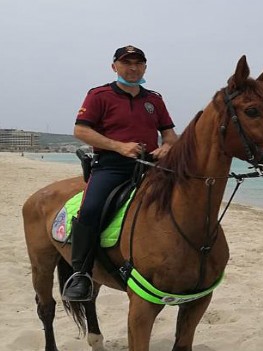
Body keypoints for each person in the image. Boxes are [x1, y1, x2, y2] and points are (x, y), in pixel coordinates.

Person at [62, 45, 178, 301]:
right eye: (127, 63)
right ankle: (80, 274)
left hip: (149, 166)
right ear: (114, 66)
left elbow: (169, 134)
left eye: (138, 63)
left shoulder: (154, 100)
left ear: (145, 67)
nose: (133, 68)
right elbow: (81, 131)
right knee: (91, 209)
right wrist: (119, 146)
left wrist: (167, 147)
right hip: (111, 166)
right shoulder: (99, 95)